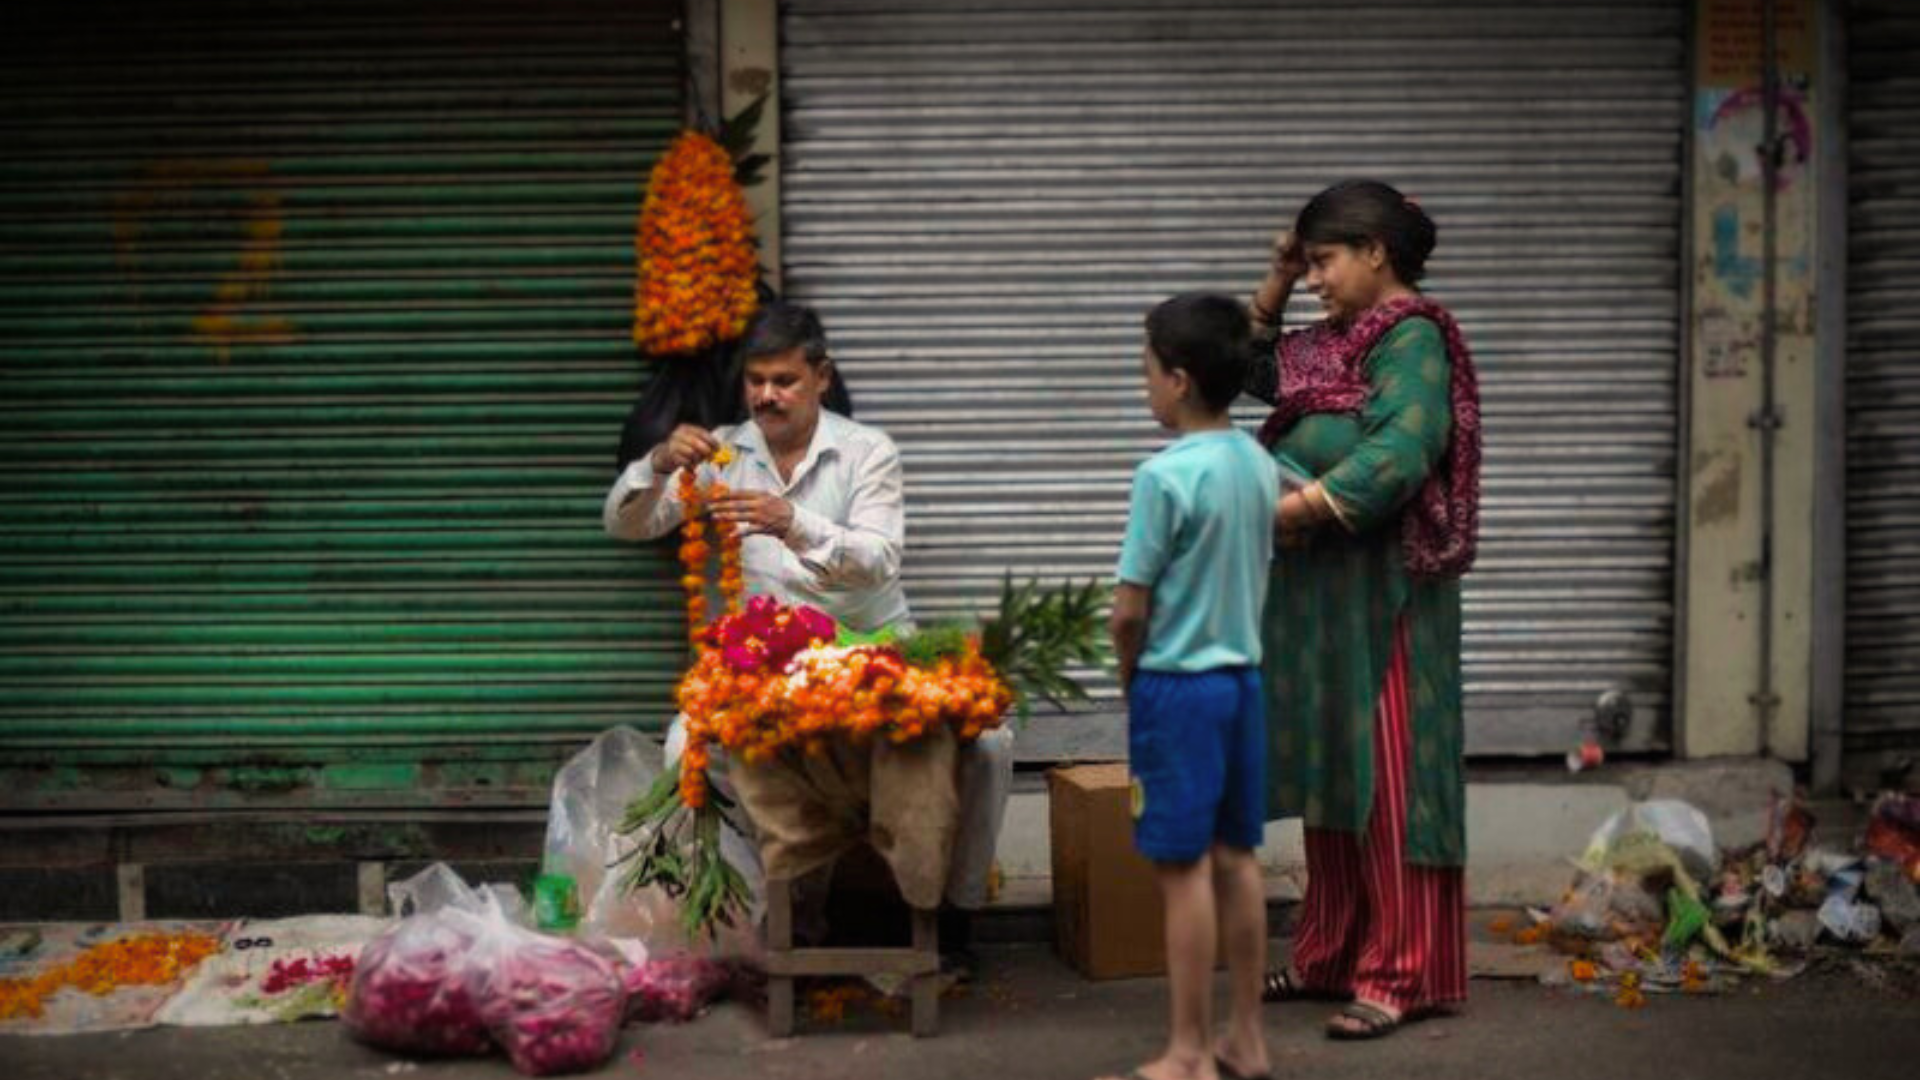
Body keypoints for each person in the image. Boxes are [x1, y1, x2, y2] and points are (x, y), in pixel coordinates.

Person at [602, 301, 1014, 959]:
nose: (767, 395)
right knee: (687, 751)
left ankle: (954, 915)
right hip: (765, 666)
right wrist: (654, 462)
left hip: (877, 652)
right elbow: (626, 526)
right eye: (756, 380)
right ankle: (763, 920)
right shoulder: (721, 454)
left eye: (784, 380)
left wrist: (791, 521)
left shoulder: (867, 452)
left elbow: (879, 558)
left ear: (822, 377)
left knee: (989, 747)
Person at [1243, 180, 1482, 1039]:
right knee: (1333, 777)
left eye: (1323, 260)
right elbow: (1250, 369)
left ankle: (1404, 970)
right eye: (1305, 263)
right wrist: (1275, 275)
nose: (1312, 279)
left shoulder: (1411, 338)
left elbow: (1403, 450)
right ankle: (1331, 954)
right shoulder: (1336, 340)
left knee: (1389, 783)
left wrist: (1291, 509)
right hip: (1325, 599)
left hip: (1389, 594)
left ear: (1376, 253)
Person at [1104, 294, 1279, 1080]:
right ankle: (1245, 1037)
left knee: (1182, 873)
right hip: (1243, 681)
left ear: (1178, 380)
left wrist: (1128, 677)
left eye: (1147, 371)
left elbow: (1128, 610)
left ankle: (1187, 1052)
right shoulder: (1257, 462)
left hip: (1178, 689)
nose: (1144, 385)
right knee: (1238, 859)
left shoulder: (1162, 477)